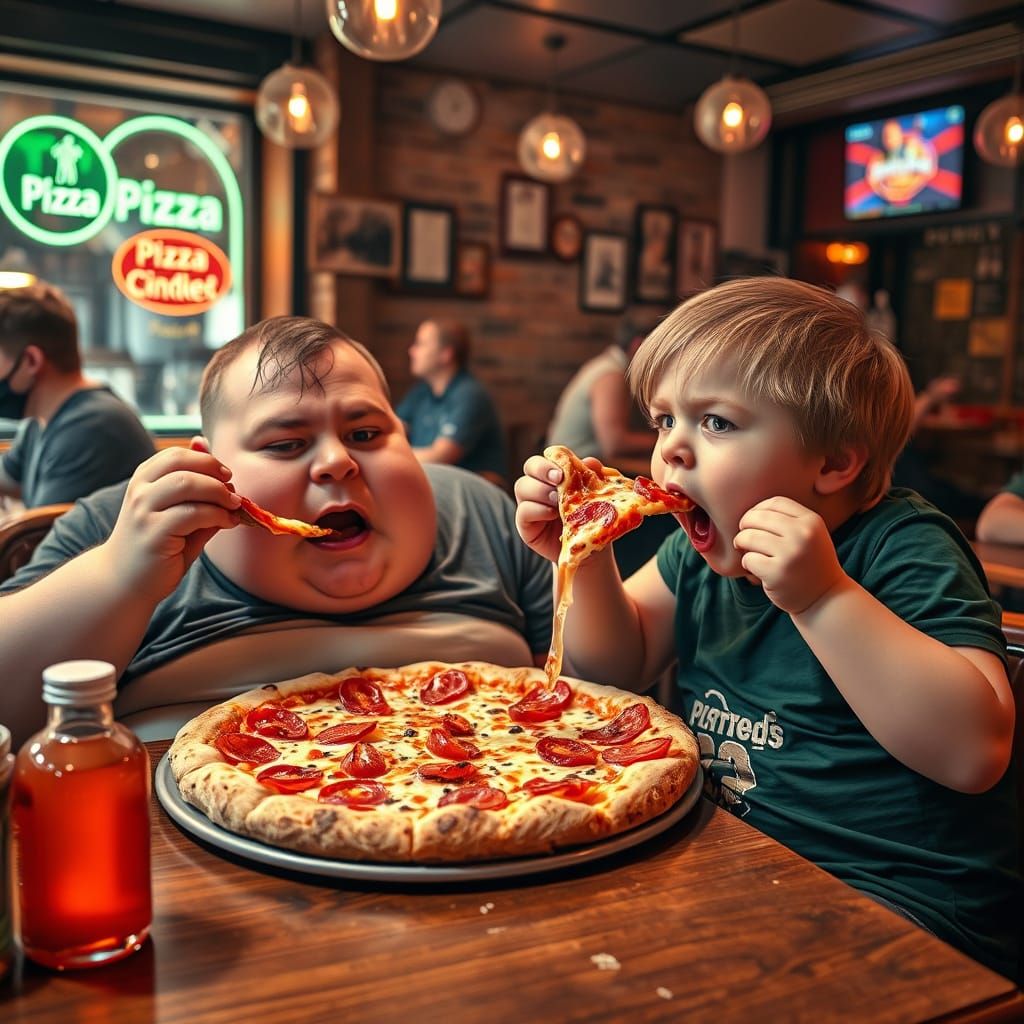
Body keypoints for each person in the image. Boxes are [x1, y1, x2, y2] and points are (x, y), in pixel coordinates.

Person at [514, 277, 1020, 980]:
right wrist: (585, 552)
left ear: (835, 462)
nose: (673, 453)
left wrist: (822, 598)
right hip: (735, 864)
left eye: (715, 423)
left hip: (910, 905)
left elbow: (973, 752)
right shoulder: (697, 557)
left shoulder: (900, 547)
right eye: (664, 421)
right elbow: (609, 670)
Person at [0, 316, 552, 747]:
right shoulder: (116, 527)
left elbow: (602, 678)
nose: (336, 462)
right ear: (207, 464)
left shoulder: (483, 510)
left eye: (364, 432)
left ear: (405, 437)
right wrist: (119, 577)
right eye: (286, 444)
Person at [0, 281, 155, 508]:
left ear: (31, 361)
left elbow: (45, 539)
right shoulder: (40, 421)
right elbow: (8, 477)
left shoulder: (92, 429)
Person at [394, 319, 507, 481]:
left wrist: (388, 454)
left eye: (420, 344)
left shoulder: (469, 395)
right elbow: (391, 428)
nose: (412, 351)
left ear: (445, 354)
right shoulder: (421, 392)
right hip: (433, 481)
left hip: (469, 489)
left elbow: (440, 457)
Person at [546, 316, 657, 463]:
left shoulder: (605, 365)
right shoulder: (611, 375)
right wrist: (662, 437)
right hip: (570, 469)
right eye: (657, 349)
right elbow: (614, 443)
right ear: (638, 344)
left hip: (578, 462)